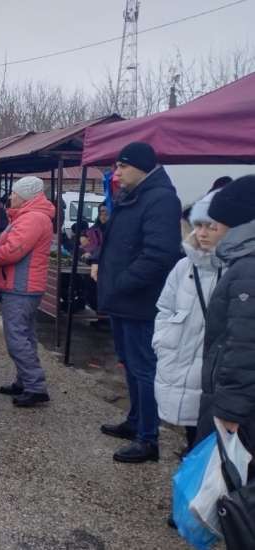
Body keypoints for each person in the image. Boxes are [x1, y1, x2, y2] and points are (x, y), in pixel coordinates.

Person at [95, 142, 183, 463]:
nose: (116, 174)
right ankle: (134, 422)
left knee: (144, 368)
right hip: (122, 300)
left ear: (141, 167)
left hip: (140, 301)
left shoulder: (160, 199)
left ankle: (149, 439)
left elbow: (159, 254)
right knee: (129, 364)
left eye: (122, 167)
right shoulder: (132, 195)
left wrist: (121, 282)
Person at [153, 191, 226, 455]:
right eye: (198, 225)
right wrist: (162, 340)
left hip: (213, 367)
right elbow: (164, 307)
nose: (203, 233)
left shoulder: (234, 270)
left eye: (211, 226)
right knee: (191, 427)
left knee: (213, 434)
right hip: (180, 358)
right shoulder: (183, 267)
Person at [0, 177, 56, 407]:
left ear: (25, 195)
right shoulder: (32, 216)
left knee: (16, 337)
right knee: (25, 335)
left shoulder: (32, 219)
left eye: (13, 193)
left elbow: (12, 251)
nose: (10, 197)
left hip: (21, 287)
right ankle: (24, 380)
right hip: (23, 285)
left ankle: (35, 386)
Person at [195, 175, 255, 456]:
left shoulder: (248, 270)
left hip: (239, 411)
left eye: (216, 223)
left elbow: (245, 346)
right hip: (236, 401)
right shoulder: (241, 263)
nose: (208, 231)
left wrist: (230, 408)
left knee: (227, 482)